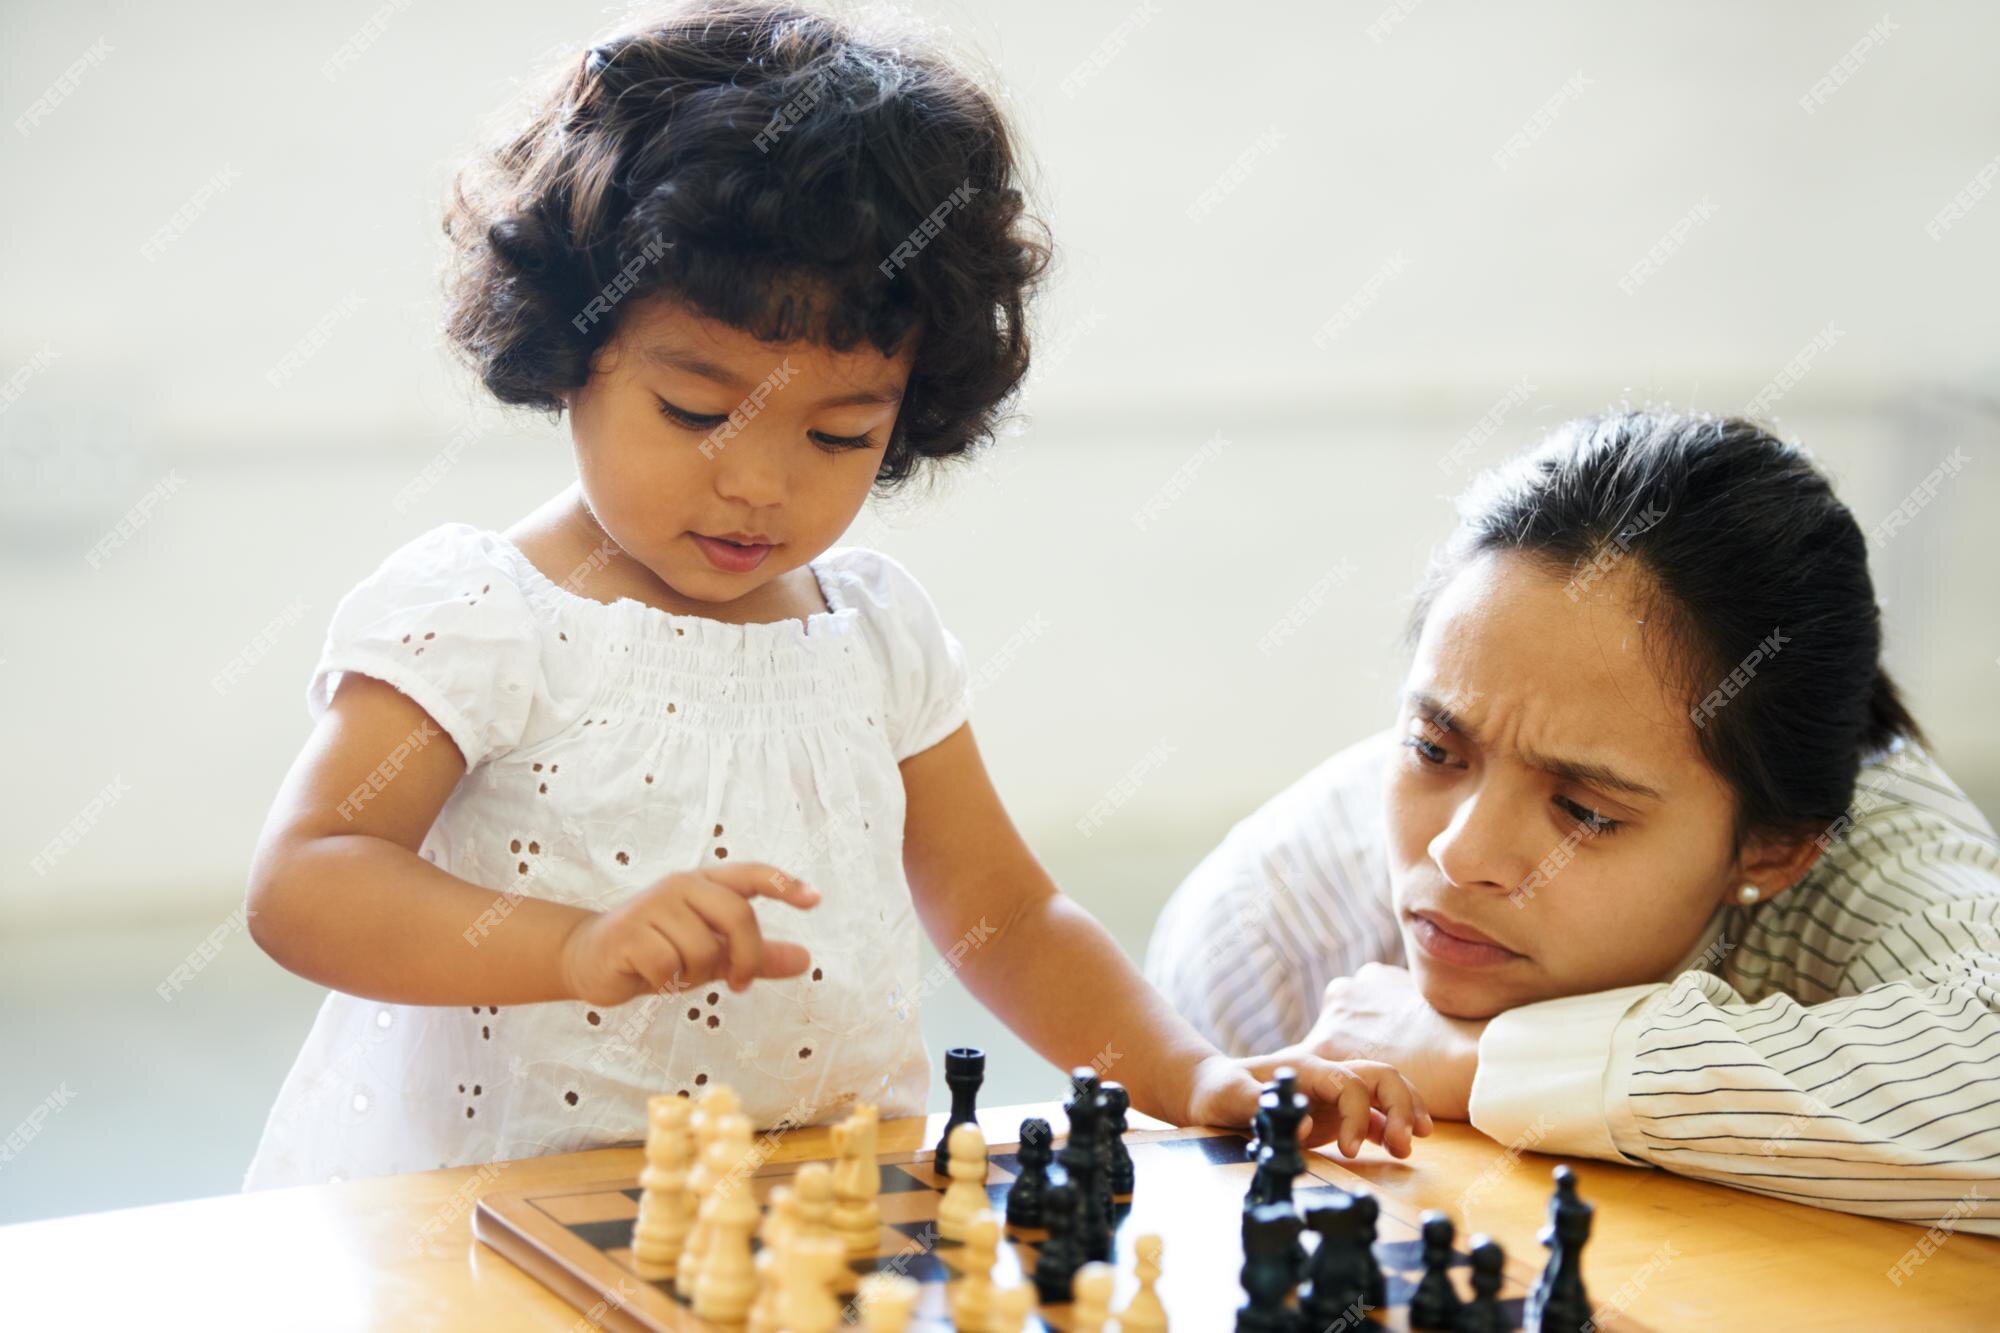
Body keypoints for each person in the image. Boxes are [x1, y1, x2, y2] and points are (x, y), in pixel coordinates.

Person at [241, 0, 1427, 1189]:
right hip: (507, 1215)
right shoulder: (488, 615)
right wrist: (576, 946)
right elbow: (307, 880)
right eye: (696, 413)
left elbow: (1005, 917)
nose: (755, 481)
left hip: (805, 1212)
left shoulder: (870, 633)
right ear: (568, 345)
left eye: (841, 432)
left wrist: (1192, 1074)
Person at [1148, 413, 2000, 1234]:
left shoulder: (1880, 858)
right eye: (1435, 748)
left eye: (1585, 810)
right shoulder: (1265, 934)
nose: (1460, 852)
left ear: (1776, 850)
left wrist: (1481, 1063)